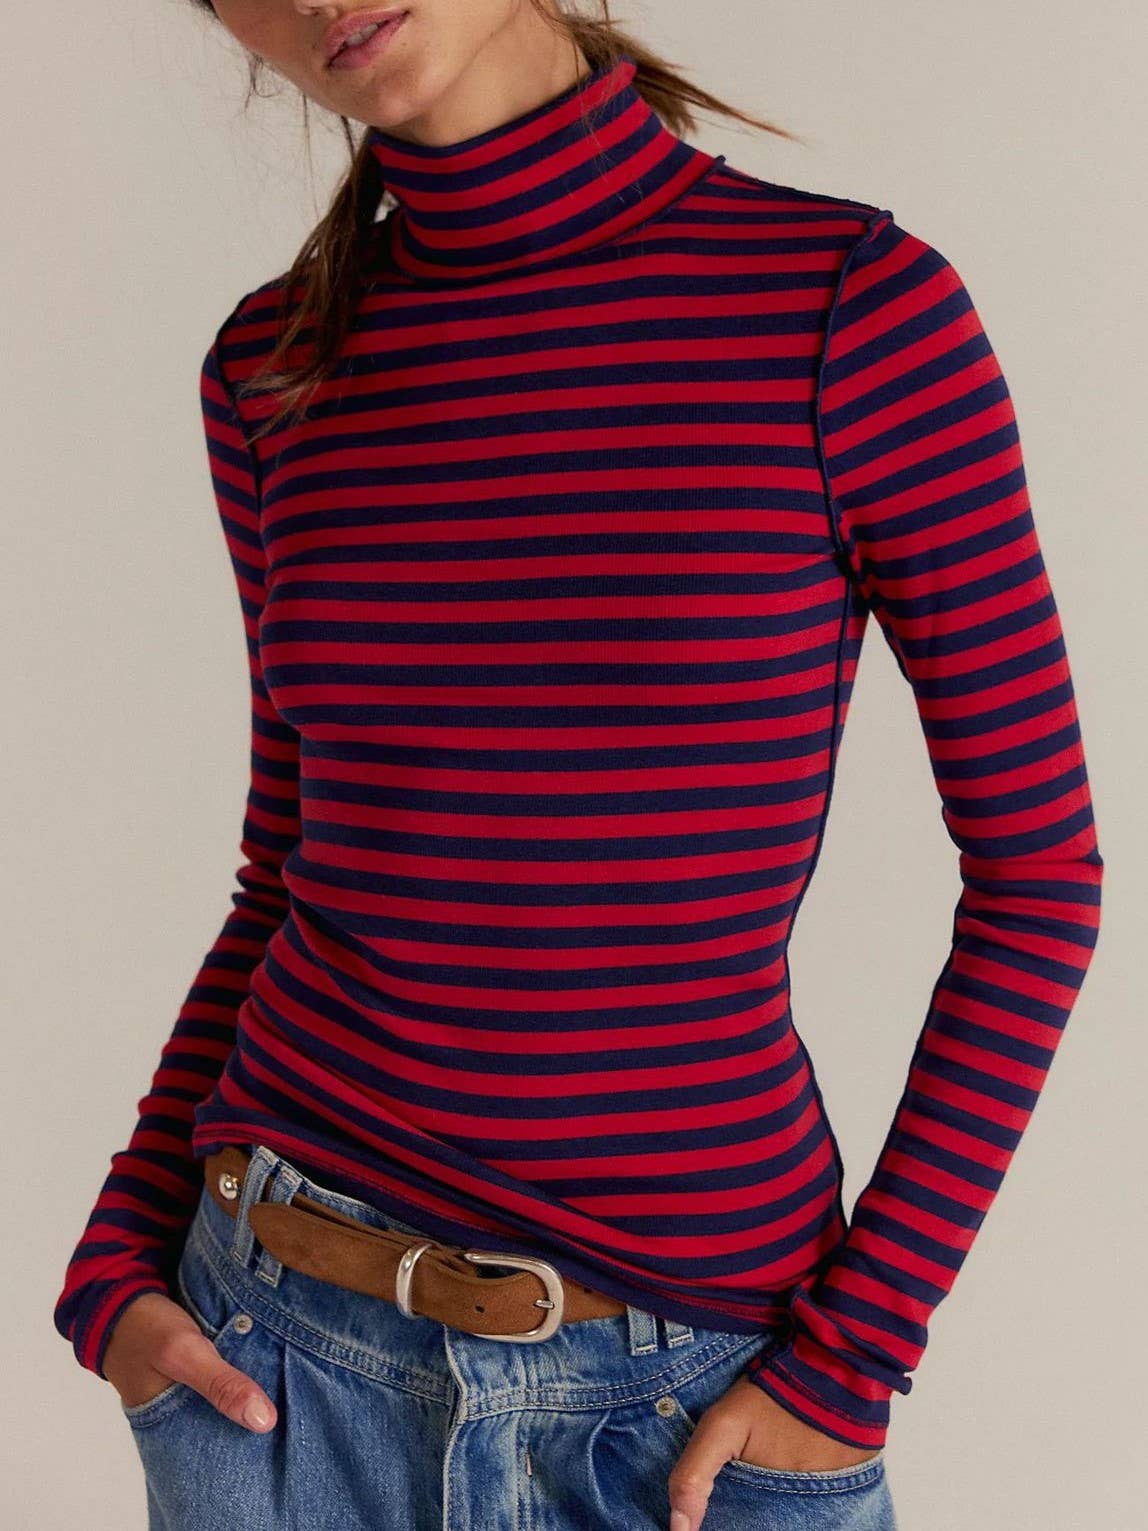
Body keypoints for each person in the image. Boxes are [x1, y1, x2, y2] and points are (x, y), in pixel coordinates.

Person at [54, 3, 1104, 1529]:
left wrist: (852, 1357)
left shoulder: (849, 312)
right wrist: (116, 1256)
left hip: (686, 1405)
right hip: (274, 1357)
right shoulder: (271, 371)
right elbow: (286, 872)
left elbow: (1039, 879)